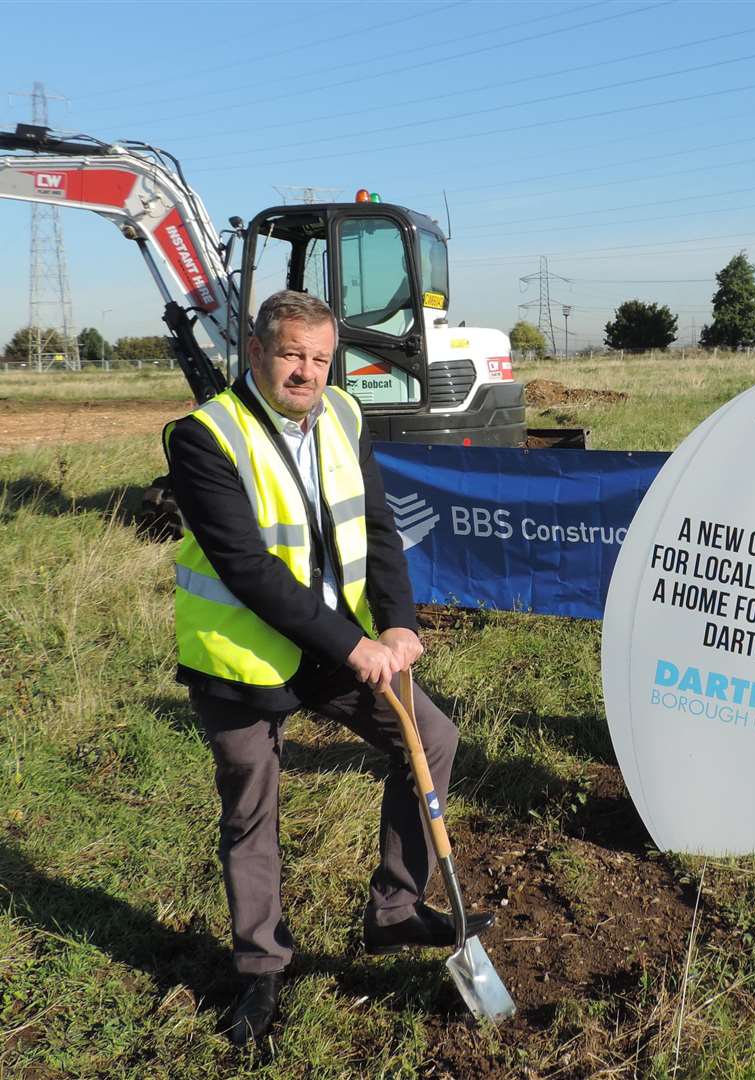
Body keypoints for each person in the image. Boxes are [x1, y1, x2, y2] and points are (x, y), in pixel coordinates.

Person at [165, 290, 493, 1045]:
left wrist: (399, 621)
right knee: (252, 810)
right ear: (254, 353)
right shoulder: (202, 436)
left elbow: (377, 526)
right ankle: (259, 968)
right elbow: (245, 567)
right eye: (290, 355)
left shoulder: (343, 415)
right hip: (242, 657)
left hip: (338, 644)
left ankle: (396, 907)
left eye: (319, 357)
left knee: (431, 741)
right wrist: (354, 646)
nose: (306, 372)